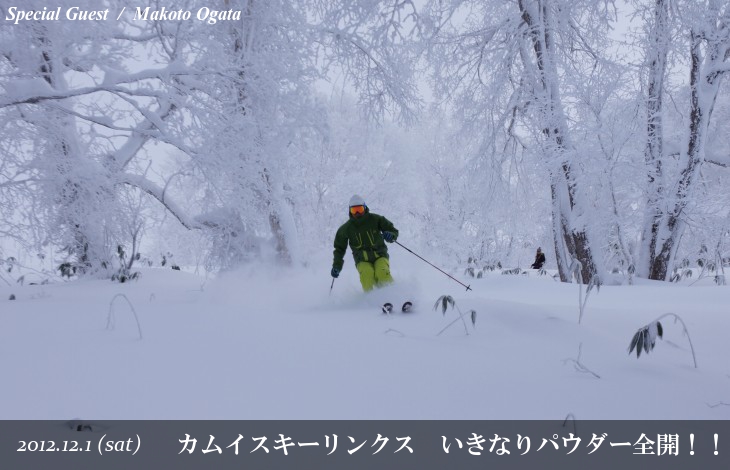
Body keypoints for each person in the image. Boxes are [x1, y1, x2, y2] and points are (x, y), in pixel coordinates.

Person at [331, 195, 399, 292]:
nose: (358, 213)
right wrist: (337, 266)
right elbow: (339, 249)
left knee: (382, 272)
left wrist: (391, 235)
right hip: (362, 260)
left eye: (360, 209)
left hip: (380, 255)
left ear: (365, 208)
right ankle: (370, 300)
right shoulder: (346, 228)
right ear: (350, 211)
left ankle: (393, 294)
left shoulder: (376, 219)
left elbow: (393, 230)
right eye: (354, 210)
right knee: (367, 274)